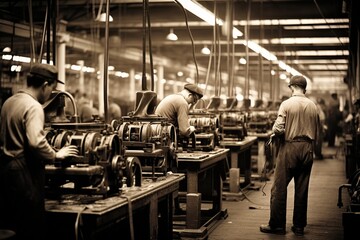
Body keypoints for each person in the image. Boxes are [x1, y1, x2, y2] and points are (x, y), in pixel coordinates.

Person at [0, 63, 79, 239]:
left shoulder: (9, 102)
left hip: (5, 171)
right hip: (23, 174)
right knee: (30, 226)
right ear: (45, 85)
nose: (51, 94)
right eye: (52, 89)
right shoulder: (34, 107)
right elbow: (36, 142)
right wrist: (55, 154)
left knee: (11, 225)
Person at [260, 75, 320, 236]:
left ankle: (277, 225)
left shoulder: (287, 104)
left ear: (292, 87)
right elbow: (318, 130)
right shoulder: (313, 106)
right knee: (302, 188)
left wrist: (277, 132)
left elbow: (278, 129)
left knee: (279, 188)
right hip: (307, 148)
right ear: (304, 88)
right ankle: (299, 226)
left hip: (290, 147)